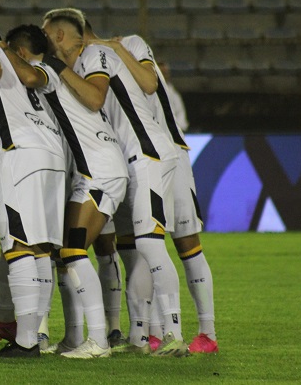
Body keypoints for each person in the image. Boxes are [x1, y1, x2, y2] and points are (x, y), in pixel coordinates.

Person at [42, 8, 189, 357]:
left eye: (45, 33)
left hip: (146, 152)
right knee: (133, 249)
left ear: (59, 35)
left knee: (150, 244)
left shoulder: (95, 54)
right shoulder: (80, 66)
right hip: (126, 160)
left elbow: (98, 97)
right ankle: (139, 338)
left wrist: (58, 65)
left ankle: (174, 333)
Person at [85, 27, 217, 354]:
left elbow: (149, 82)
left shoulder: (128, 44)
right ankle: (146, 333)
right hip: (132, 159)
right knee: (139, 245)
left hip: (167, 151)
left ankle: (206, 332)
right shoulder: (88, 66)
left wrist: (113, 46)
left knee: (186, 244)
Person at [1, 24, 128, 358]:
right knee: (64, 255)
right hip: (89, 172)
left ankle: (99, 340)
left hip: (100, 171)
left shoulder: (47, 70)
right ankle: (73, 338)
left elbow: (30, 76)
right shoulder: (64, 75)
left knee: (73, 251)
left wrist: (0, 51)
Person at [158, 62, 188, 132]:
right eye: (162, 72)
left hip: (173, 131)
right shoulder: (148, 92)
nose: (164, 75)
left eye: (165, 72)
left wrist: (177, 130)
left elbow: (180, 114)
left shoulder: (174, 95)